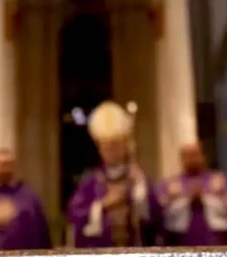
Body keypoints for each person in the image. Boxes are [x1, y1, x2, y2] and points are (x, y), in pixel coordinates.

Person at [66, 101, 160, 247]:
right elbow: (75, 214)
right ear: (100, 150)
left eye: (115, 145)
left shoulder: (138, 177)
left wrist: (139, 190)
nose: (112, 151)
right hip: (101, 252)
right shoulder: (92, 181)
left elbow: (153, 219)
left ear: (125, 146)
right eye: (107, 147)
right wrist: (103, 204)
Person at [160, 142, 227, 246]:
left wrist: (218, 196)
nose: (192, 158)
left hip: (216, 238)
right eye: (188, 155)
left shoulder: (219, 180)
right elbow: (159, 211)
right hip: (180, 239)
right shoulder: (171, 183)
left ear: (203, 156)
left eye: (195, 154)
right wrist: (172, 197)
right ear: (182, 158)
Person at [0, 148, 52, 250]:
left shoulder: (30, 198)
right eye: (1, 165)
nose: (5, 169)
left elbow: (42, 233)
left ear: (14, 167)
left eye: (8, 164)